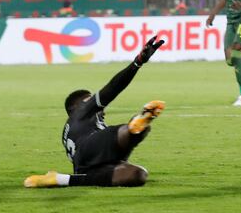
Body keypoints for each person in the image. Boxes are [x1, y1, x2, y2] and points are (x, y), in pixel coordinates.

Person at [23, 36, 166, 188]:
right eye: (90, 99)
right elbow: (112, 88)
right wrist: (137, 62)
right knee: (135, 130)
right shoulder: (82, 111)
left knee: (137, 175)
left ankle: (60, 179)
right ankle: (139, 122)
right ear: (80, 104)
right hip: (92, 146)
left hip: (87, 166)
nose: (101, 108)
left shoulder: (72, 130)